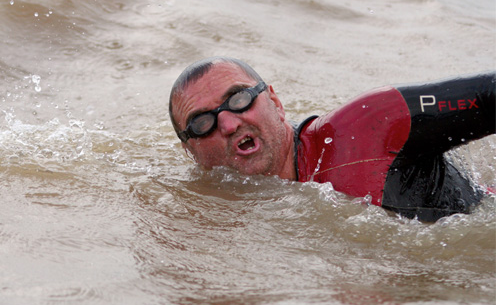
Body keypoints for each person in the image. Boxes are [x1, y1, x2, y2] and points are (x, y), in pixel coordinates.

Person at [169, 57, 496, 221]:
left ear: (276, 103)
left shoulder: (368, 125)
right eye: (202, 123)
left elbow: (489, 95)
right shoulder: (217, 220)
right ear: (190, 152)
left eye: (239, 98)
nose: (227, 123)